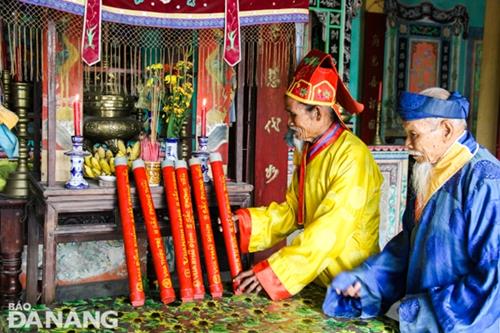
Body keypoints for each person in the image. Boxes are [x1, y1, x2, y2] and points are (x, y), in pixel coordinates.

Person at [323, 87, 500, 332]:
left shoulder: (485, 181)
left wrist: (418, 312)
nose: (407, 144)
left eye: (413, 134)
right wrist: (368, 282)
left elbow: (494, 281)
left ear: (446, 130)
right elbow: (407, 249)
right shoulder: (428, 170)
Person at [232, 49, 383, 300]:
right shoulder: (311, 151)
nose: (289, 121)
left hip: (354, 286)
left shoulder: (353, 157)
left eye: (293, 114)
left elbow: (330, 229)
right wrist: (246, 224)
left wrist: (275, 271)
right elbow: (293, 211)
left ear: (317, 113)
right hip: (321, 279)